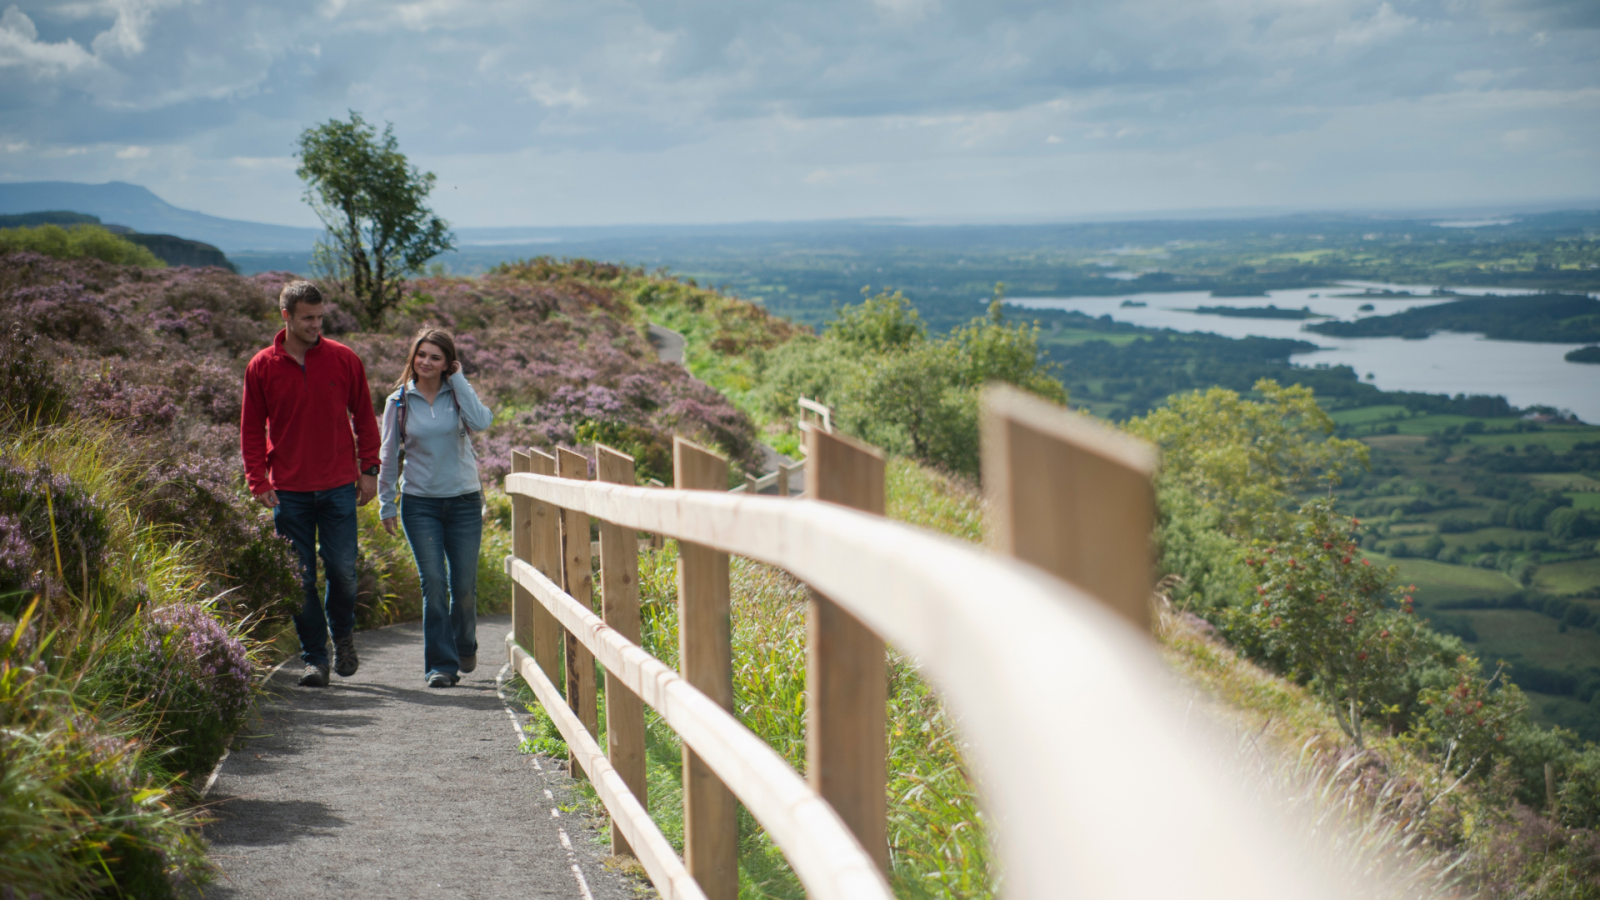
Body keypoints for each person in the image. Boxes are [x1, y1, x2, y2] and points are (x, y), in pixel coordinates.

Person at [241, 281, 381, 688]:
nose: (316, 325)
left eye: (320, 317)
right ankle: (315, 659)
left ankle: (342, 636)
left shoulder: (344, 359)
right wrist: (257, 479)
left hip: (339, 484)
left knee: (343, 571)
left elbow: (365, 417)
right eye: (308, 318)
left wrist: (369, 468)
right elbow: (251, 429)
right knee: (300, 578)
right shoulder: (261, 366)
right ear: (286, 316)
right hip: (288, 489)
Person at [377, 329, 492, 688]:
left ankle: (465, 642)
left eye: (435, 357)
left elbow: (482, 422)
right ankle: (441, 666)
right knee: (434, 584)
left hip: (464, 502)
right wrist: (386, 504)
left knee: (465, 586)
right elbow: (388, 455)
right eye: (421, 354)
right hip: (419, 503)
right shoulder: (398, 402)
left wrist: (459, 379)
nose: (426, 362)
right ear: (413, 357)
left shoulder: (457, 394)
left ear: (447, 363)